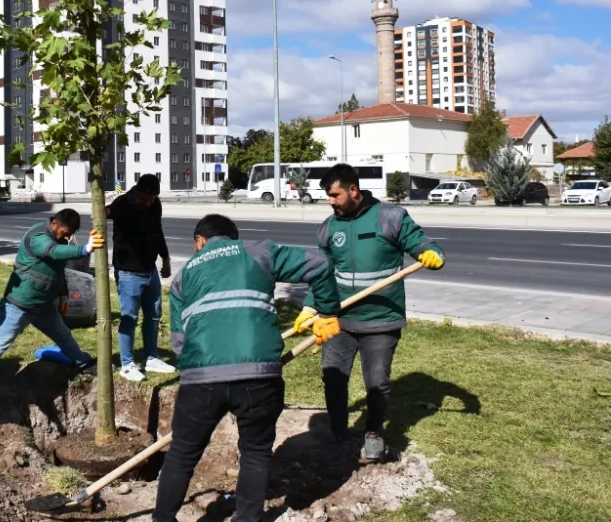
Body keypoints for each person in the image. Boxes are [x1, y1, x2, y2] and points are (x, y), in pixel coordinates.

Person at [153, 214, 341, 522]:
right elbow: (320, 263)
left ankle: (163, 519)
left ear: (200, 241)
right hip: (259, 375)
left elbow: (178, 342)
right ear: (234, 238)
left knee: (182, 453)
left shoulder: (182, 276)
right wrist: (327, 311)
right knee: (255, 452)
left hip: (201, 378)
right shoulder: (259, 252)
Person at [293, 163, 445, 464]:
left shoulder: (390, 218)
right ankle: (339, 433)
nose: (330, 201)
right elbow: (323, 275)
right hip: (337, 320)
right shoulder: (328, 228)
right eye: (327, 196)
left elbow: (420, 242)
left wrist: (432, 252)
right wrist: (311, 308)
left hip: (381, 320)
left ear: (353, 190)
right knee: (333, 380)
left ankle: (374, 432)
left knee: (376, 383)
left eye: (335, 195)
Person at [0, 209, 104, 410]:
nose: (67, 238)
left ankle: (86, 364)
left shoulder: (60, 238)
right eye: (64, 233)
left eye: (70, 235)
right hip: (19, 305)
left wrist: (63, 293)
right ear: (54, 224)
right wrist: (85, 249)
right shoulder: (38, 236)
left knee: (64, 336)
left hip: (43, 305)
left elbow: (57, 269)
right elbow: (51, 252)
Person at [106, 173, 174, 382]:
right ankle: (127, 364)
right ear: (137, 191)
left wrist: (165, 257)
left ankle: (151, 357)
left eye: (153, 199)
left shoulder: (155, 205)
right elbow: (104, 213)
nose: (149, 203)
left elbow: (157, 231)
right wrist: (101, 211)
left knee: (154, 315)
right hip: (128, 272)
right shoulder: (122, 204)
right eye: (145, 198)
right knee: (129, 318)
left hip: (150, 269)